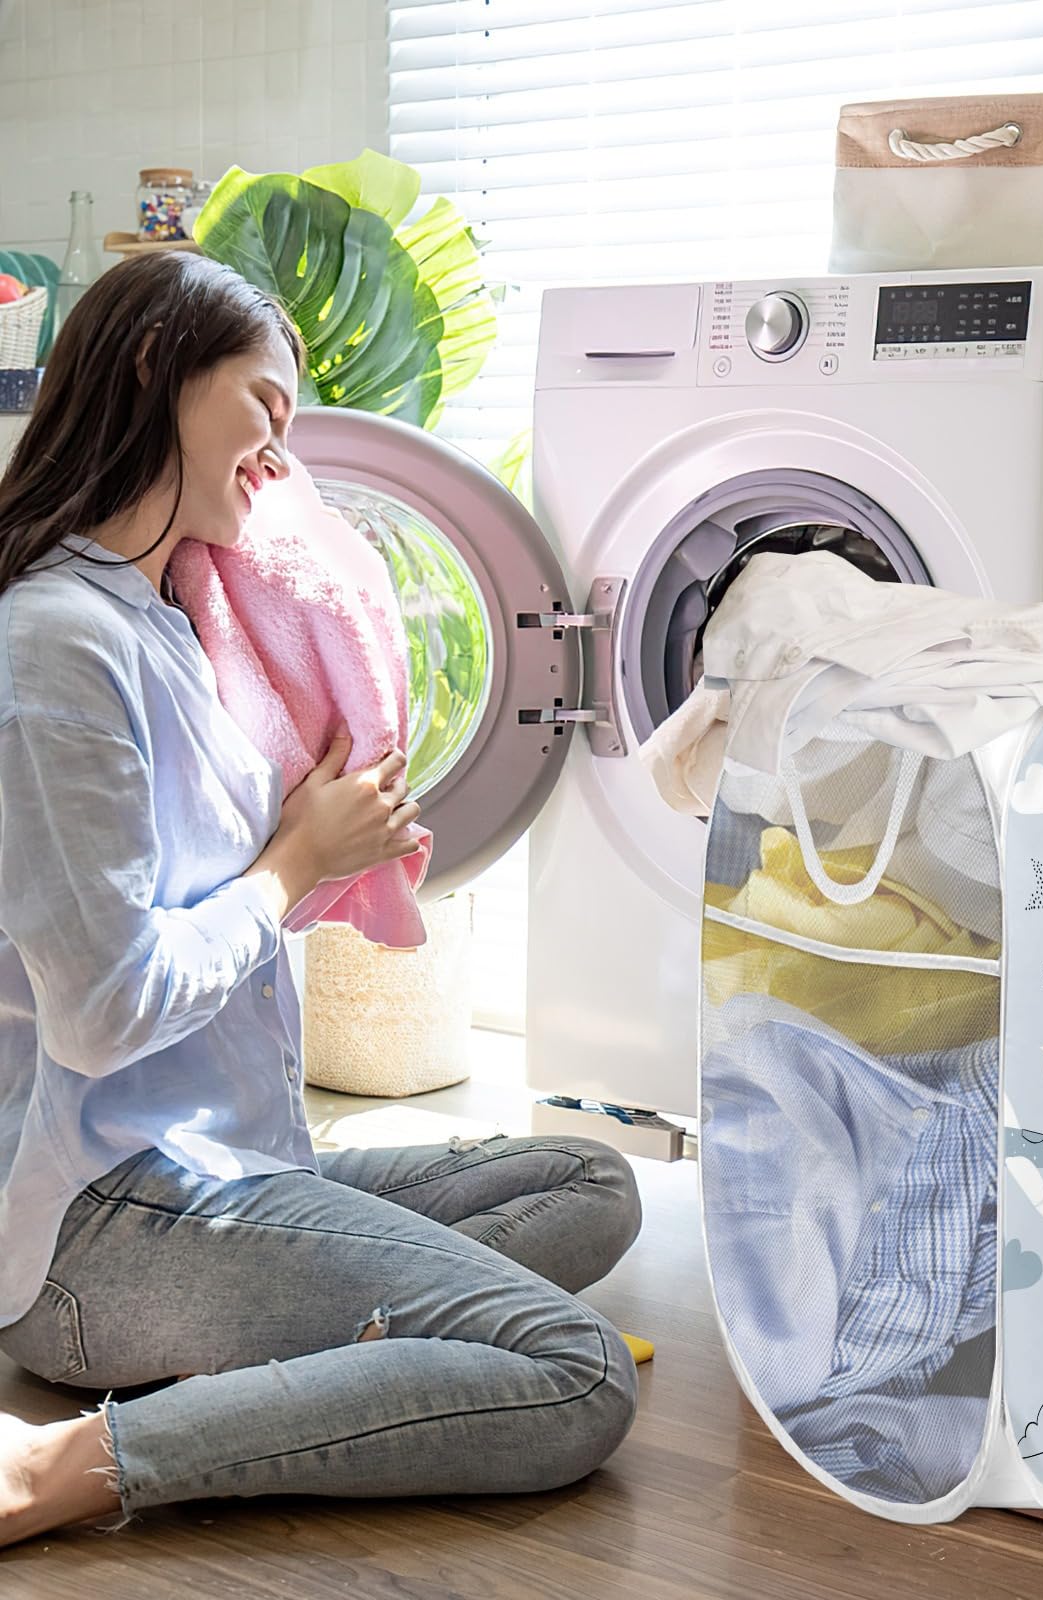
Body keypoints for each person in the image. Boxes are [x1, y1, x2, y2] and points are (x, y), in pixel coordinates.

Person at [0, 253, 641, 1548]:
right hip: (106, 1224)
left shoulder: (168, 619)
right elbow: (102, 1018)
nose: (281, 451)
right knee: (579, 1375)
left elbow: (204, 903)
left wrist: (313, 842)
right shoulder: (52, 646)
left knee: (590, 1182)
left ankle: (376, 1357)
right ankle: (64, 1465)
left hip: (232, 1166)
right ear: (151, 371)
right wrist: (298, 860)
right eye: (266, 403)